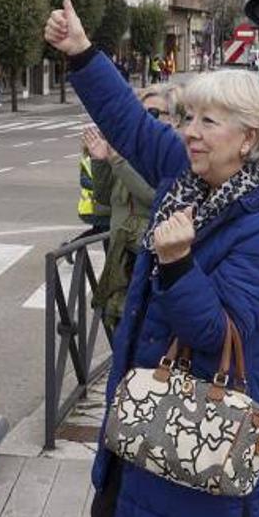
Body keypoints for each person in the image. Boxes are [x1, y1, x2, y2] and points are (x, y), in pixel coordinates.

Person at [46, 0, 259, 517]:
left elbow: (217, 330)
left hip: (206, 453)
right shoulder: (190, 177)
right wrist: (83, 53)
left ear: (248, 139)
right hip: (144, 435)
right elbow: (131, 126)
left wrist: (178, 263)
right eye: (188, 118)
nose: (189, 132)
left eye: (208, 121)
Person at [83, 86, 178, 335]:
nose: (146, 121)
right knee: (121, 335)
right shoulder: (128, 153)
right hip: (122, 256)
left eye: (155, 114)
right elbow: (103, 198)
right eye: (141, 114)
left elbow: (155, 196)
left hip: (151, 260)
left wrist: (117, 161)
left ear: (175, 119)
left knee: (147, 340)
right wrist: (100, 159)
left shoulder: (174, 156)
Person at [77, 146, 111, 235]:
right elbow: (84, 181)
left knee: (99, 230)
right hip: (91, 207)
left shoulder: (106, 161)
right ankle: (72, 245)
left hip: (99, 206)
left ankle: (72, 244)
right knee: (106, 231)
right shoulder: (89, 162)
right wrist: (100, 187)